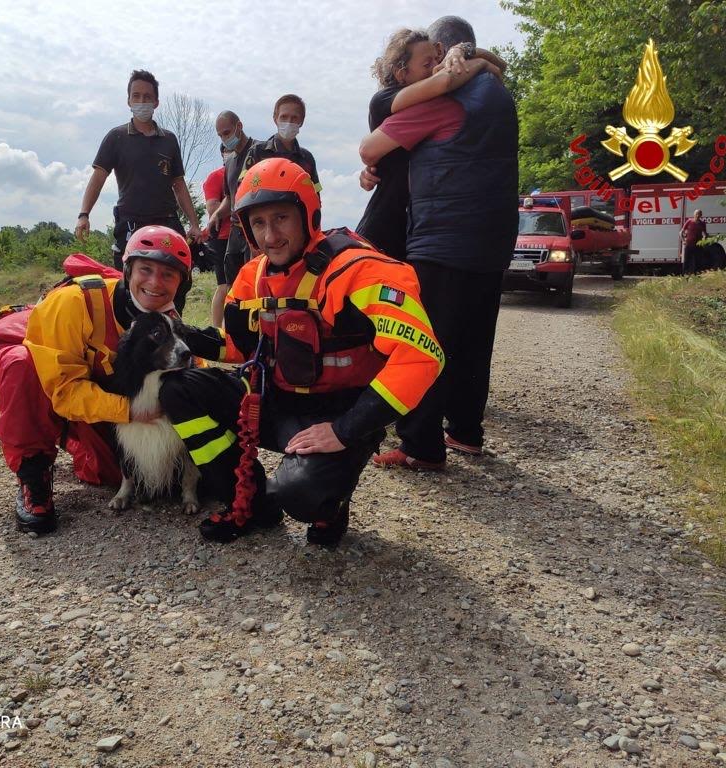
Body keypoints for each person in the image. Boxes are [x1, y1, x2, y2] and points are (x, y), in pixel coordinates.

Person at [158, 158, 445, 547]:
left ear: (308, 215)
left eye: (281, 218)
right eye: (258, 223)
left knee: (300, 494)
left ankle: (329, 502)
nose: (270, 236)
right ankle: (249, 500)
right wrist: (180, 332)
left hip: (337, 413)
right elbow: (239, 345)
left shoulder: (361, 270)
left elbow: (421, 356)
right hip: (276, 401)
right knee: (178, 388)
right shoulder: (253, 275)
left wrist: (346, 430)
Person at [359, 15, 518, 468]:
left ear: (450, 53)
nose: (433, 68)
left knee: (424, 342)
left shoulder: (446, 100)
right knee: (474, 340)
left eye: (436, 57)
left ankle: (420, 446)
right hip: (493, 236)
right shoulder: (500, 96)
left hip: (443, 238)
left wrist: (371, 164)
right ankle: (466, 433)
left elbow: (370, 149)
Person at [0, 226, 193, 534]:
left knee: (110, 473)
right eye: (145, 270)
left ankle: (75, 441)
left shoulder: (169, 320)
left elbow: (191, 382)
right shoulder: (72, 302)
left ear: (181, 284)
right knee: (23, 366)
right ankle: (33, 475)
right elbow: (63, 390)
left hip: (94, 388)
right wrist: (130, 411)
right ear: (127, 271)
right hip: (40, 368)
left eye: (168, 275)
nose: (155, 283)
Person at [356, 30, 504, 260]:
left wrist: (462, 51)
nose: (437, 65)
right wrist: (479, 63)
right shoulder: (384, 100)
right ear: (401, 73)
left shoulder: (423, 102)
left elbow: (501, 64)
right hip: (385, 227)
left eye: (437, 58)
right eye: (427, 64)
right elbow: (445, 80)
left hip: (415, 229)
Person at [74, 70, 202, 271]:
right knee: (129, 284)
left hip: (167, 222)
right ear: (128, 101)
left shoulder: (169, 140)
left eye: (147, 96)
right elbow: (98, 178)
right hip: (131, 223)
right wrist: (84, 214)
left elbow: (179, 184)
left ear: (156, 102)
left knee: (176, 277)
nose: (142, 101)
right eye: (136, 96)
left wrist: (194, 224)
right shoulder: (116, 137)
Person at [205, 110, 260, 312]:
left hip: (256, 231)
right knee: (233, 286)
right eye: (220, 135)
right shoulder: (230, 162)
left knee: (256, 283)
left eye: (226, 132)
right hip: (236, 232)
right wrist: (217, 215)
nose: (224, 138)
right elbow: (230, 197)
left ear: (239, 126)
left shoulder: (260, 151)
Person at [202, 158, 231, 326]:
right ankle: (217, 328)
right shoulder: (216, 176)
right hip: (221, 238)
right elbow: (213, 208)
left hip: (242, 237)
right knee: (224, 285)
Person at [680, 209, 708, 274]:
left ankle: (696, 275)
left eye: (699, 214)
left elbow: (705, 233)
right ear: (694, 214)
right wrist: (683, 240)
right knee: (686, 261)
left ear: (701, 215)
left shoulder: (702, 223)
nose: (698, 215)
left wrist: (704, 240)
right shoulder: (689, 221)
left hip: (698, 245)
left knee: (697, 261)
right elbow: (681, 232)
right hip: (689, 245)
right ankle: (685, 275)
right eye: (696, 214)